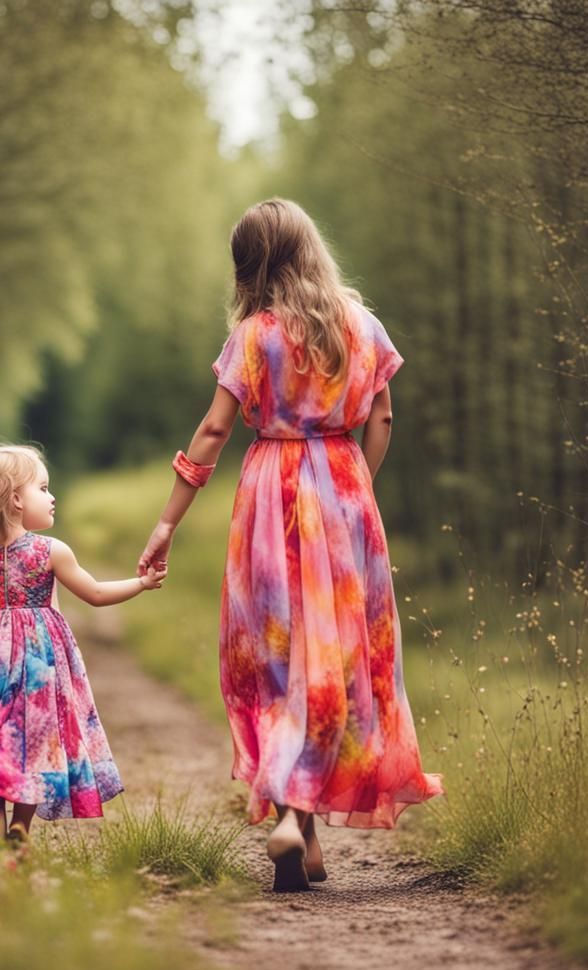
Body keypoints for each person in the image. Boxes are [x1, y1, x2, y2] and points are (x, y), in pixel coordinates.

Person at [138, 198, 444, 892]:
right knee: (334, 656)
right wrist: (354, 488)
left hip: (270, 494)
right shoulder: (360, 326)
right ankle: (304, 835)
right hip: (344, 491)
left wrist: (167, 522)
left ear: (250, 265)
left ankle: (290, 812)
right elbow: (383, 417)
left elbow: (213, 433)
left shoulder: (253, 336)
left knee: (274, 656)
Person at [0, 443, 166, 861]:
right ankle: (20, 828)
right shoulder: (51, 552)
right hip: (38, 667)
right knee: (35, 744)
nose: (52, 497)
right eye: (43, 488)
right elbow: (97, 594)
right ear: (14, 499)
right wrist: (141, 583)